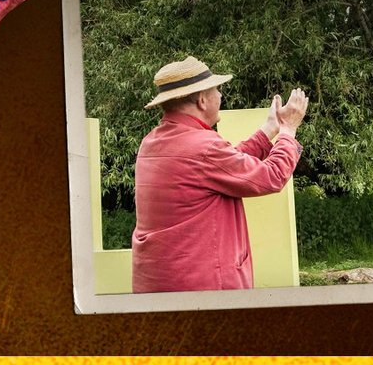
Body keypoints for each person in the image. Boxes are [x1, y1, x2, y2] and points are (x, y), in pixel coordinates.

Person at [131, 56, 308, 293]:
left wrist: (270, 129)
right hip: (204, 287)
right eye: (217, 90)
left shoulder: (151, 142)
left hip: (158, 282)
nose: (221, 96)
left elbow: (223, 167)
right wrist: (288, 130)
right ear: (202, 100)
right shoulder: (204, 147)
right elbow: (272, 176)